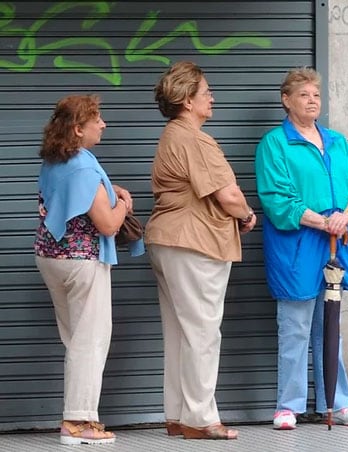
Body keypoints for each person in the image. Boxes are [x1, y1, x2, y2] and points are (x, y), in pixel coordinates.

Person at [255, 67, 348, 430]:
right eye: (303, 95)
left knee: (332, 325)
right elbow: (277, 200)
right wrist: (325, 221)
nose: (312, 101)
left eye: (316, 95)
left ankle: (337, 403)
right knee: (294, 326)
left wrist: (347, 214)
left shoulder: (338, 141)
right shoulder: (275, 144)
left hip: (336, 244)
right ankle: (287, 406)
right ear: (286, 100)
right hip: (297, 245)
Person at [145, 61, 256, 440]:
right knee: (203, 332)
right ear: (187, 100)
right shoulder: (194, 139)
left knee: (179, 332)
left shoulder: (170, 135)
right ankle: (200, 417)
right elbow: (228, 195)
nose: (212, 97)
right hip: (194, 242)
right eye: (205, 91)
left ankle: (178, 414)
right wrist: (246, 214)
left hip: (167, 240)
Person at [34, 94, 136, 445]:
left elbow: (78, 194)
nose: (103, 124)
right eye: (97, 119)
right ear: (78, 129)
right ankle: (79, 422)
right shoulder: (83, 164)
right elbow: (107, 224)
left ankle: (77, 417)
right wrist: (122, 204)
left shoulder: (55, 160)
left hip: (51, 257)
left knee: (76, 339)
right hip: (81, 261)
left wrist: (110, 188)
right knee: (90, 341)